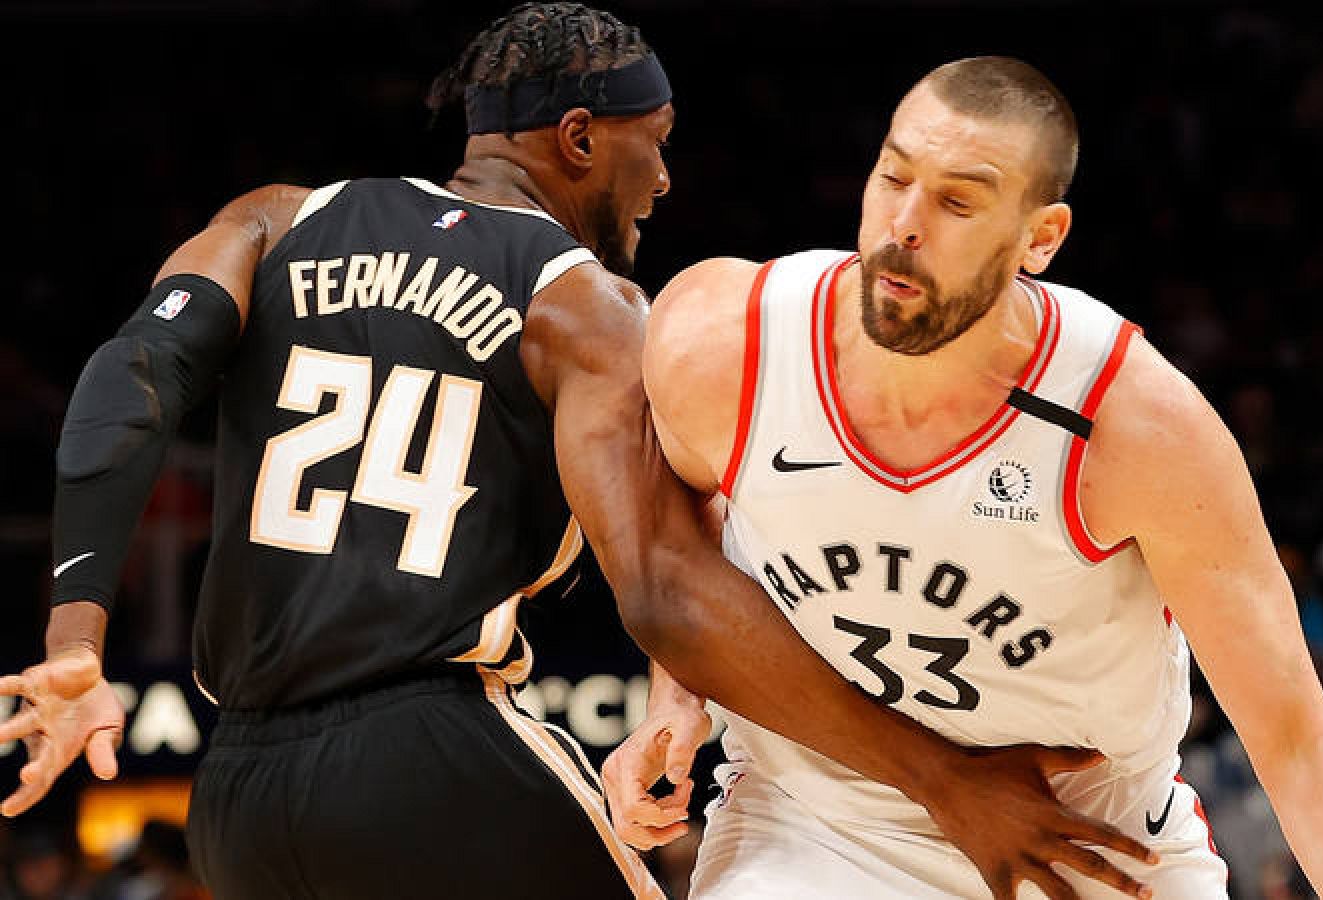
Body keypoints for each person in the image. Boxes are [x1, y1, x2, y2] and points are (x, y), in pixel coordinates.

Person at [0, 8, 1158, 900]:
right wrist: (945, 782)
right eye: (651, 148)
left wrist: (73, 642)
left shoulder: (275, 217)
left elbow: (130, 383)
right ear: (578, 140)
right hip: (429, 759)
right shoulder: (583, 306)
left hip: (241, 800)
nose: (664, 180)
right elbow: (665, 594)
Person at [614, 56, 1323, 897]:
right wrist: (677, 701)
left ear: (1042, 238)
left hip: (1088, 846)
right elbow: (683, 540)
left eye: (958, 200)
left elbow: (1299, 744)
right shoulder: (725, 341)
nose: (905, 223)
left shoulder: (1136, 428)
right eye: (893, 177)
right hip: (817, 827)